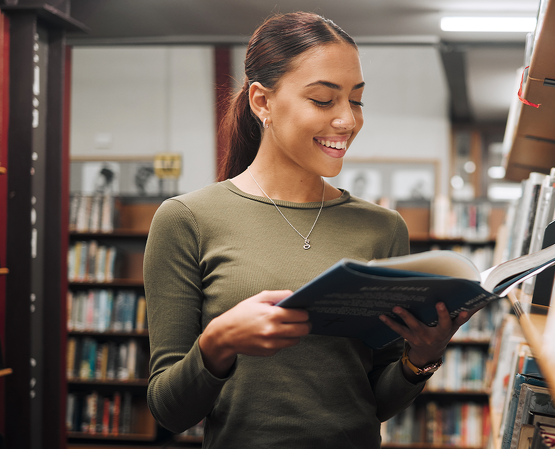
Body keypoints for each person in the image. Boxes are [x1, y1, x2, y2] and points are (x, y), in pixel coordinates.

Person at [143, 12, 476, 449]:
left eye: (356, 100)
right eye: (323, 100)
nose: (347, 121)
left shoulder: (383, 228)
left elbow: (375, 403)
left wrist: (422, 359)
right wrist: (218, 343)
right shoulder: (186, 219)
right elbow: (170, 410)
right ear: (262, 102)